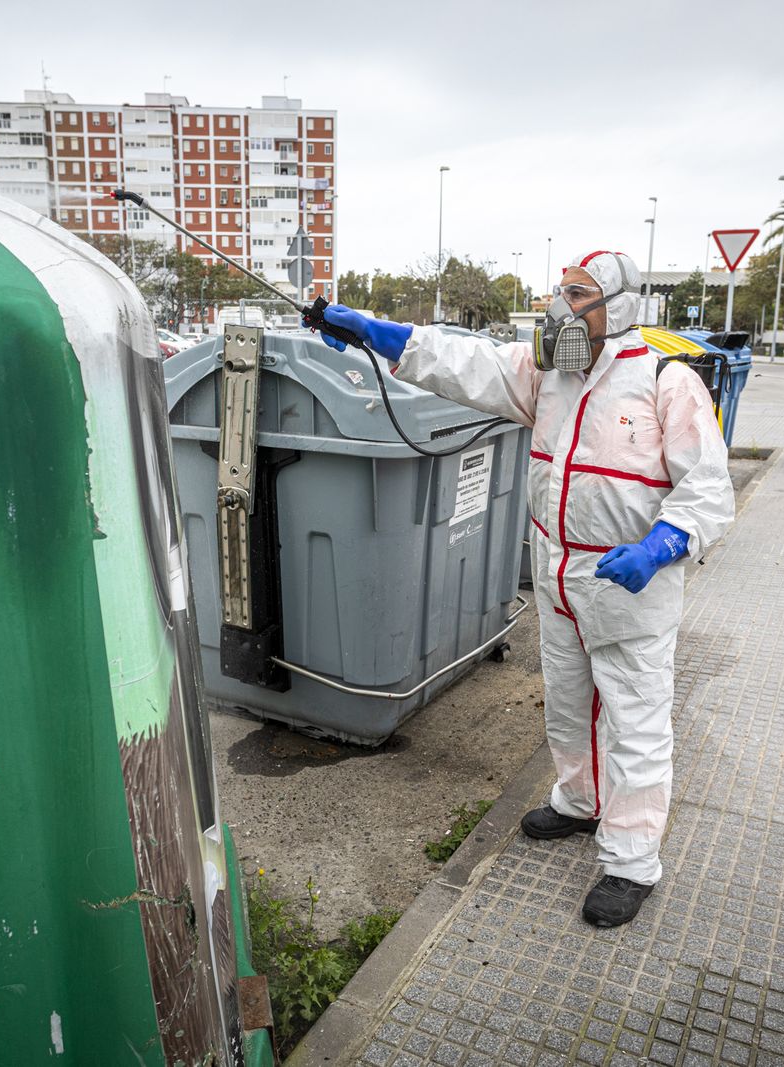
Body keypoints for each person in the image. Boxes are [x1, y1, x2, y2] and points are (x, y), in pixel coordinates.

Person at [309, 251, 735, 927]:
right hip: (560, 572)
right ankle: (578, 800)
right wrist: (370, 330)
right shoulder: (550, 373)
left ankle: (631, 859)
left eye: (576, 293)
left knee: (635, 719)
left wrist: (661, 545)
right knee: (568, 703)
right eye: (559, 291)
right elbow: (461, 363)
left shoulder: (665, 381)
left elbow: (710, 488)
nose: (558, 306)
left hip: (631, 581)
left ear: (616, 306)